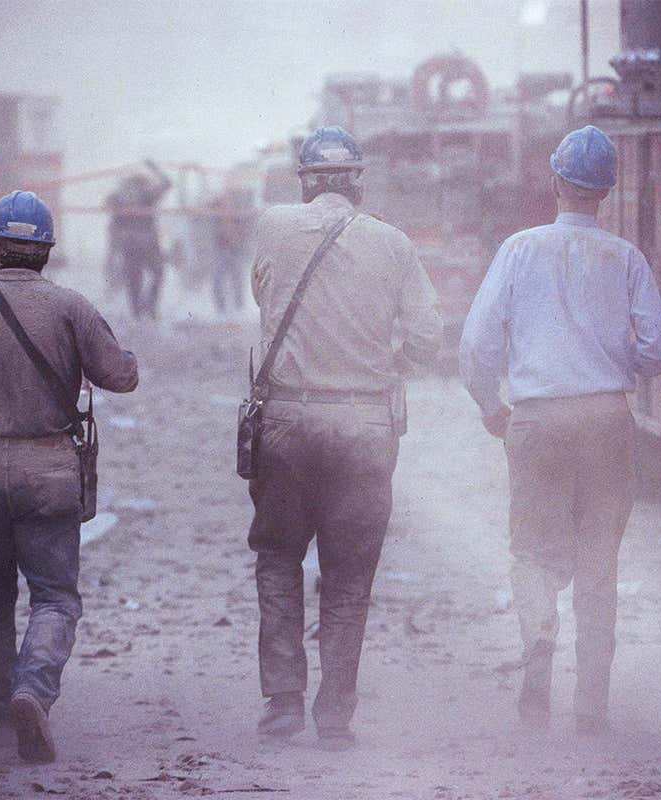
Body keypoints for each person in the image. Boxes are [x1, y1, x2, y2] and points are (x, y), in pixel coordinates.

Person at [458, 125, 661, 735]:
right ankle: (591, 707)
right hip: (607, 421)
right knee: (598, 559)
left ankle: (539, 644)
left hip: (536, 422)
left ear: (555, 183)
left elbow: (476, 344)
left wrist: (490, 407)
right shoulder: (625, 257)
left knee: (531, 550)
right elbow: (659, 347)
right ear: (605, 192)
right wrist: (618, 362)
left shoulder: (518, 250)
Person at [248, 126, 442, 750]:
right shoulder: (393, 242)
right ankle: (334, 715)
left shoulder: (273, 225)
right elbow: (426, 339)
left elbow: (263, 295)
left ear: (304, 180)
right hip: (363, 426)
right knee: (349, 577)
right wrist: (382, 365)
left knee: (279, 559)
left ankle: (282, 705)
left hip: (287, 420)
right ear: (357, 182)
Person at [0, 191, 138, 763]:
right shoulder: (71, 305)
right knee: (53, 597)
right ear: (45, 251)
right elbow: (119, 377)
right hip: (47, 469)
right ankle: (34, 691)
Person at [107, 160, 172, 319]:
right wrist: (154, 168)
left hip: (140, 240)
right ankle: (145, 309)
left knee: (141, 276)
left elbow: (166, 184)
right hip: (140, 240)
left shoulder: (131, 192)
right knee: (145, 275)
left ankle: (142, 310)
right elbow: (167, 183)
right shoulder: (141, 191)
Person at [210, 187, 253, 314]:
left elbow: (245, 228)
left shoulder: (237, 213)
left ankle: (239, 307)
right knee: (218, 279)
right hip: (221, 249)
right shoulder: (215, 212)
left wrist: (239, 237)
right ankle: (221, 309)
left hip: (235, 249)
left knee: (237, 278)